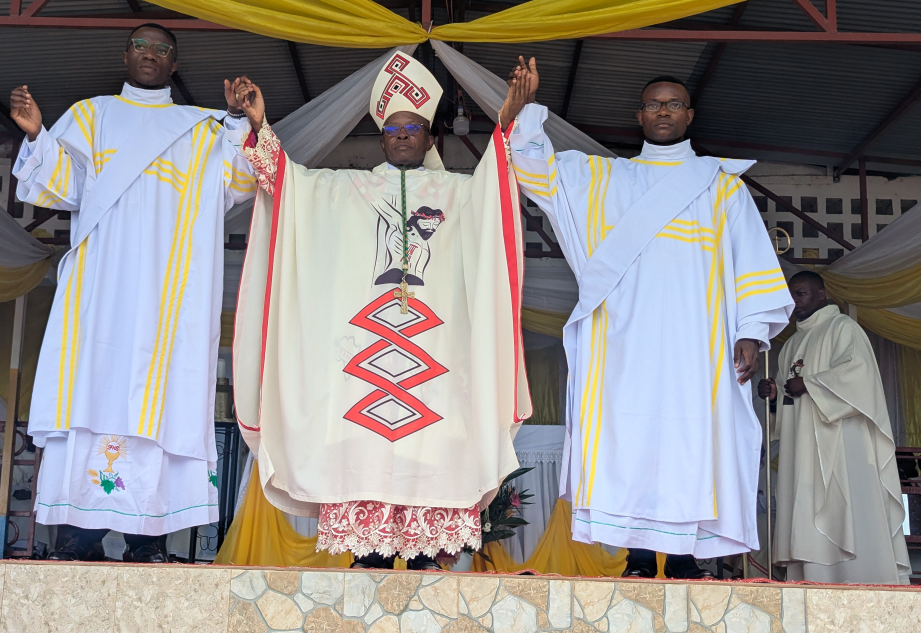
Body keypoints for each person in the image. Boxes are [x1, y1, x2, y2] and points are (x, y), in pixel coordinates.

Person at [232, 52, 532, 570]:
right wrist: (260, 126)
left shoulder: (460, 194)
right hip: (364, 357)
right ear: (381, 136)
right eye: (392, 127)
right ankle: (368, 559)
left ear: (430, 136)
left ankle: (420, 561)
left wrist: (504, 123)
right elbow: (287, 187)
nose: (401, 135)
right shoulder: (344, 190)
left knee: (432, 446)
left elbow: (496, 190)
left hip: (435, 354)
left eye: (413, 126)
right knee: (364, 452)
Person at [506, 60, 794, 578]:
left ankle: (684, 559)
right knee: (629, 442)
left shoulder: (721, 186)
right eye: (654, 104)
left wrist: (751, 331)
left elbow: (750, 257)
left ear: (689, 116)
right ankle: (637, 558)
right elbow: (536, 170)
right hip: (623, 343)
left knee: (689, 442)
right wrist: (524, 111)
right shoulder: (604, 178)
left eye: (674, 104)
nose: (664, 111)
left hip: (696, 343)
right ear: (640, 116)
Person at [9, 23, 258, 562]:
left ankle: (149, 540)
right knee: (90, 393)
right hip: (102, 291)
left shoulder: (202, 128)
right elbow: (62, 186)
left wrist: (240, 122)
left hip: (173, 295)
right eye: (141, 46)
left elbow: (237, 186)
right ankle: (80, 536)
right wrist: (37, 138)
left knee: (164, 400)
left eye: (161, 49)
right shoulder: (91, 116)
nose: (150, 54)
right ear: (126, 56)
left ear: (175, 63)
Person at [758, 272, 910, 584]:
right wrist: (774, 397)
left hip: (840, 444)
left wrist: (810, 384)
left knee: (844, 509)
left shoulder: (843, 328)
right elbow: (789, 401)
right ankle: (810, 579)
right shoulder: (791, 345)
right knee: (805, 507)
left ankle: (862, 578)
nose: (795, 301)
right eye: (792, 295)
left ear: (821, 294)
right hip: (801, 448)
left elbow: (860, 375)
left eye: (801, 293)